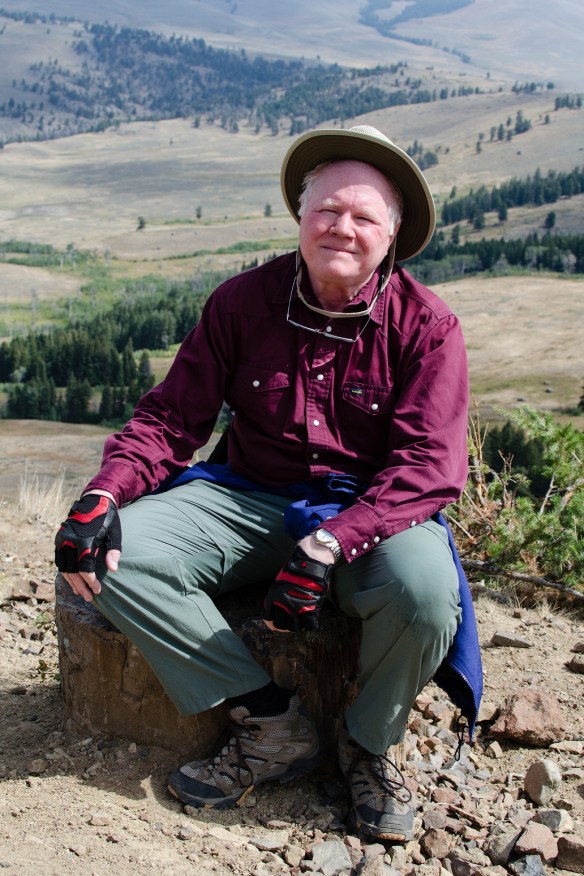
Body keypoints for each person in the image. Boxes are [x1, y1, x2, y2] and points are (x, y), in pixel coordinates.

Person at [55, 125, 482, 844]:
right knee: (108, 560)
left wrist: (329, 545)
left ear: (395, 232)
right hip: (244, 494)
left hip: (369, 513)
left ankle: (368, 743)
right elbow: (169, 419)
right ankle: (270, 718)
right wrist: (106, 493)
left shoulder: (428, 327)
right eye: (327, 210)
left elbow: (429, 470)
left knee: (426, 596)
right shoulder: (241, 302)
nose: (342, 229)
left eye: (364, 217)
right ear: (300, 214)